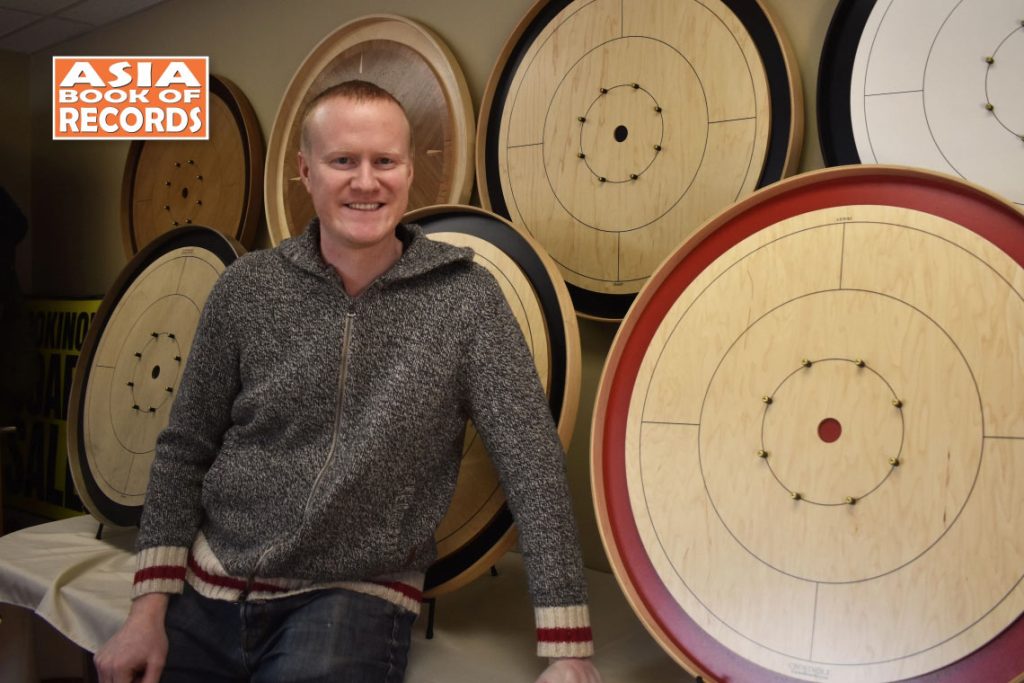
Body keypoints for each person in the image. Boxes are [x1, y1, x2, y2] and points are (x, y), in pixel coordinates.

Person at [95, 80, 602, 683]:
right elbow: (185, 447)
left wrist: (567, 647)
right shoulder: (246, 288)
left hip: (352, 596)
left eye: (384, 161)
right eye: (343, 161)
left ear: (409, 172)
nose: (366, 182)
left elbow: (531, 463)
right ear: (306, 172)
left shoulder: (467, 299)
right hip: (209, 583)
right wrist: (146, 610)